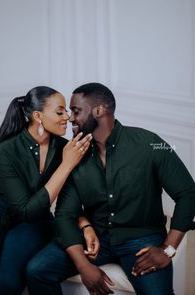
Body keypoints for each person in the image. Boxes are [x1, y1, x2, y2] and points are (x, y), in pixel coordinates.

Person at [25, 82, 195, 295]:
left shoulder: (150, 143)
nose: (70, 118)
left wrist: (167, 249)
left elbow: (188, 193)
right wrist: (84, 265)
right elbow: (65, 213)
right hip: (96, 239)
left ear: (98, 111)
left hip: (141, 239)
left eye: (76, 111)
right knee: (36, 270)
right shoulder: (75, 154)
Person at [0, 86, 99, 295]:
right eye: (60, 112)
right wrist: (66, 165)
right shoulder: (5, 151)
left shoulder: (65, 149)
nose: (68, 118)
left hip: (34, 221)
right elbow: (24, 208)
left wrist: (85, 224)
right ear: (37, 116)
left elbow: (68, 200)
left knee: (7, 284)